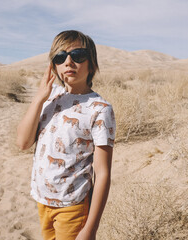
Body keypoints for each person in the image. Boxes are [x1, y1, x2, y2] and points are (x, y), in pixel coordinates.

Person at [16, 30, 115, 240]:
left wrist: (91, 228)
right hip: (42, 201)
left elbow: (103, 173)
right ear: (53, 66)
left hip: (72, 207)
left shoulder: (99, 109)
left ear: (92, 64)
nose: (68, 62)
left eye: (78, 55)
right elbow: (23, 142)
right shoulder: (50, 98)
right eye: (60, 57)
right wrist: (38, 99)